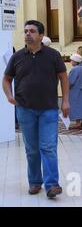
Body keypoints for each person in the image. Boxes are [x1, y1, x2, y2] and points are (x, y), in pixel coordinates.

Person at [2, 20, 69, 199]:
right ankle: (34, 182)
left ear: (41, 35)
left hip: (48, 109)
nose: (28, 34)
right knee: (31, 149)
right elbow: (6, 79)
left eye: (32, 31)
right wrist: (9, 96)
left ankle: (52, 184)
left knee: (48, 147)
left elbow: (63, 78)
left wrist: (65, 102)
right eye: (25, 31)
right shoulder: (17, 57)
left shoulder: (53, 55)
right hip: (25, 109)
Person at [68, 53, 82, 130]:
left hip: (76, 90)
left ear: (75, 61)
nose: (71, 62)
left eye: (71, 60)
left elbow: (70, 81)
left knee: (76, 106)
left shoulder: (75, 69)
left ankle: (78, 123)